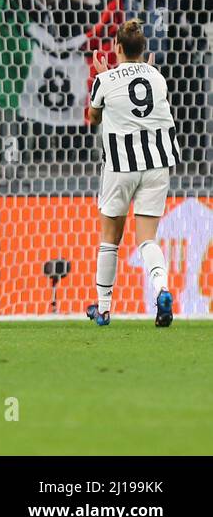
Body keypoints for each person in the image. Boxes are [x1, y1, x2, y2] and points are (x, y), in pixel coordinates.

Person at [85, 21, 177, 328]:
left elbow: (93, 118)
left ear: (118, 48)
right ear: (144, 49)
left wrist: (102, 79)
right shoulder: (158, 77)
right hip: (158, 165)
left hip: (121, 166)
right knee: (147, 239)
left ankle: (104, 308)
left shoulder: (105, 79)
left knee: (110, 239)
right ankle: (162, 290)